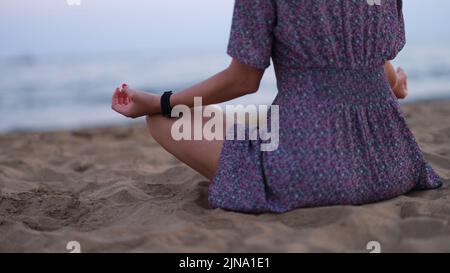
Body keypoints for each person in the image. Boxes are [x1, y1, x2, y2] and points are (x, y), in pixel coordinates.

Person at [112, 0, 441, 213]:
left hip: (310, 168)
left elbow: (243, 80)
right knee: (238, 125)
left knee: (164, 119)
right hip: (393, 163)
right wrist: (395, 84)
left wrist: (160, 101)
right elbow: (376, 56)